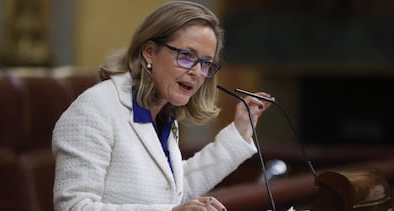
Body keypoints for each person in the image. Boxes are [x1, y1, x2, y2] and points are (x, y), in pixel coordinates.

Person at [52, 1, 273, 211]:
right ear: (149, 51)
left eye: (206, 63)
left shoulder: (161, 113)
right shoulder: (95, 109)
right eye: (186, 56)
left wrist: (241, 129)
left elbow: (171, 190)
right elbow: (74, 207)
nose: (197, 72)